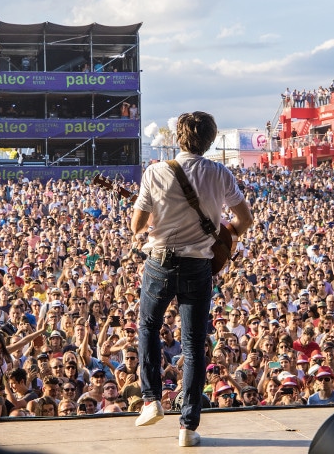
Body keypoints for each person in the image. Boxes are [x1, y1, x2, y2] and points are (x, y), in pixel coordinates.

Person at [131, 111, 253, 447]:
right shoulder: (219, 172)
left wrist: (159, 218)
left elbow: (136, 226)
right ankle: (187, 427)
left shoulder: (155, 171)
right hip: (199, 265)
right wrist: (226, 239)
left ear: (178, 138)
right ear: (211, 141)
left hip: (160, 262)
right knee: (193, 344)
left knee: (148, 328)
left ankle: (151, 400)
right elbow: (245, 219)